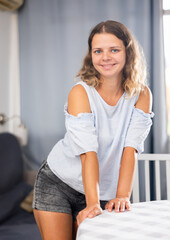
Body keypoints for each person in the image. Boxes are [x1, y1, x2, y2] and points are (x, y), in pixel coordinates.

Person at [33, 20, 154, 240]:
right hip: (59, 182)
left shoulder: (142, 94)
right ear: (91, 55)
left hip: (105, 191)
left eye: (114, 50)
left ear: (128, 53)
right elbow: (89, 154)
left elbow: (131, 149)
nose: (105, 57)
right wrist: (92, 204)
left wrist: (121, 196)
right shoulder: (80, 93)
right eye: (98, 51)